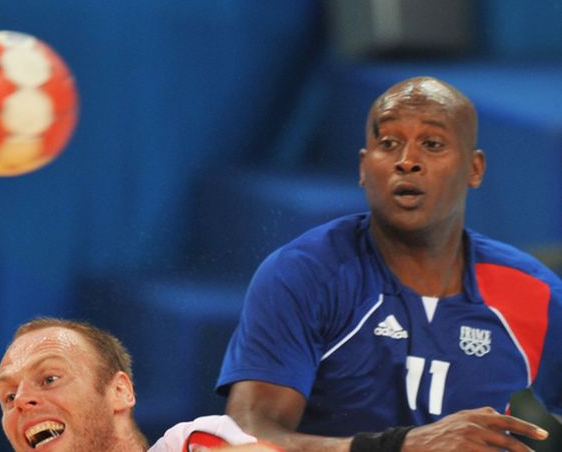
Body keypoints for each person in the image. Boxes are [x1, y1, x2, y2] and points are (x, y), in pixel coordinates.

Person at [216, 76, 562, 451]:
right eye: (389, 144)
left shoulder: (534, 293)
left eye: (432, 144)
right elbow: (247, 439)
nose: (407, 162)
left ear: (474, 169)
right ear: (364, 167)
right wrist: (396, 447)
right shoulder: (306, 273)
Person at [0, 317, 282, 451]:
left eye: (49, 379)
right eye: (8, 397)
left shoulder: (187, 443)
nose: (20, 400)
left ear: (119, 391)